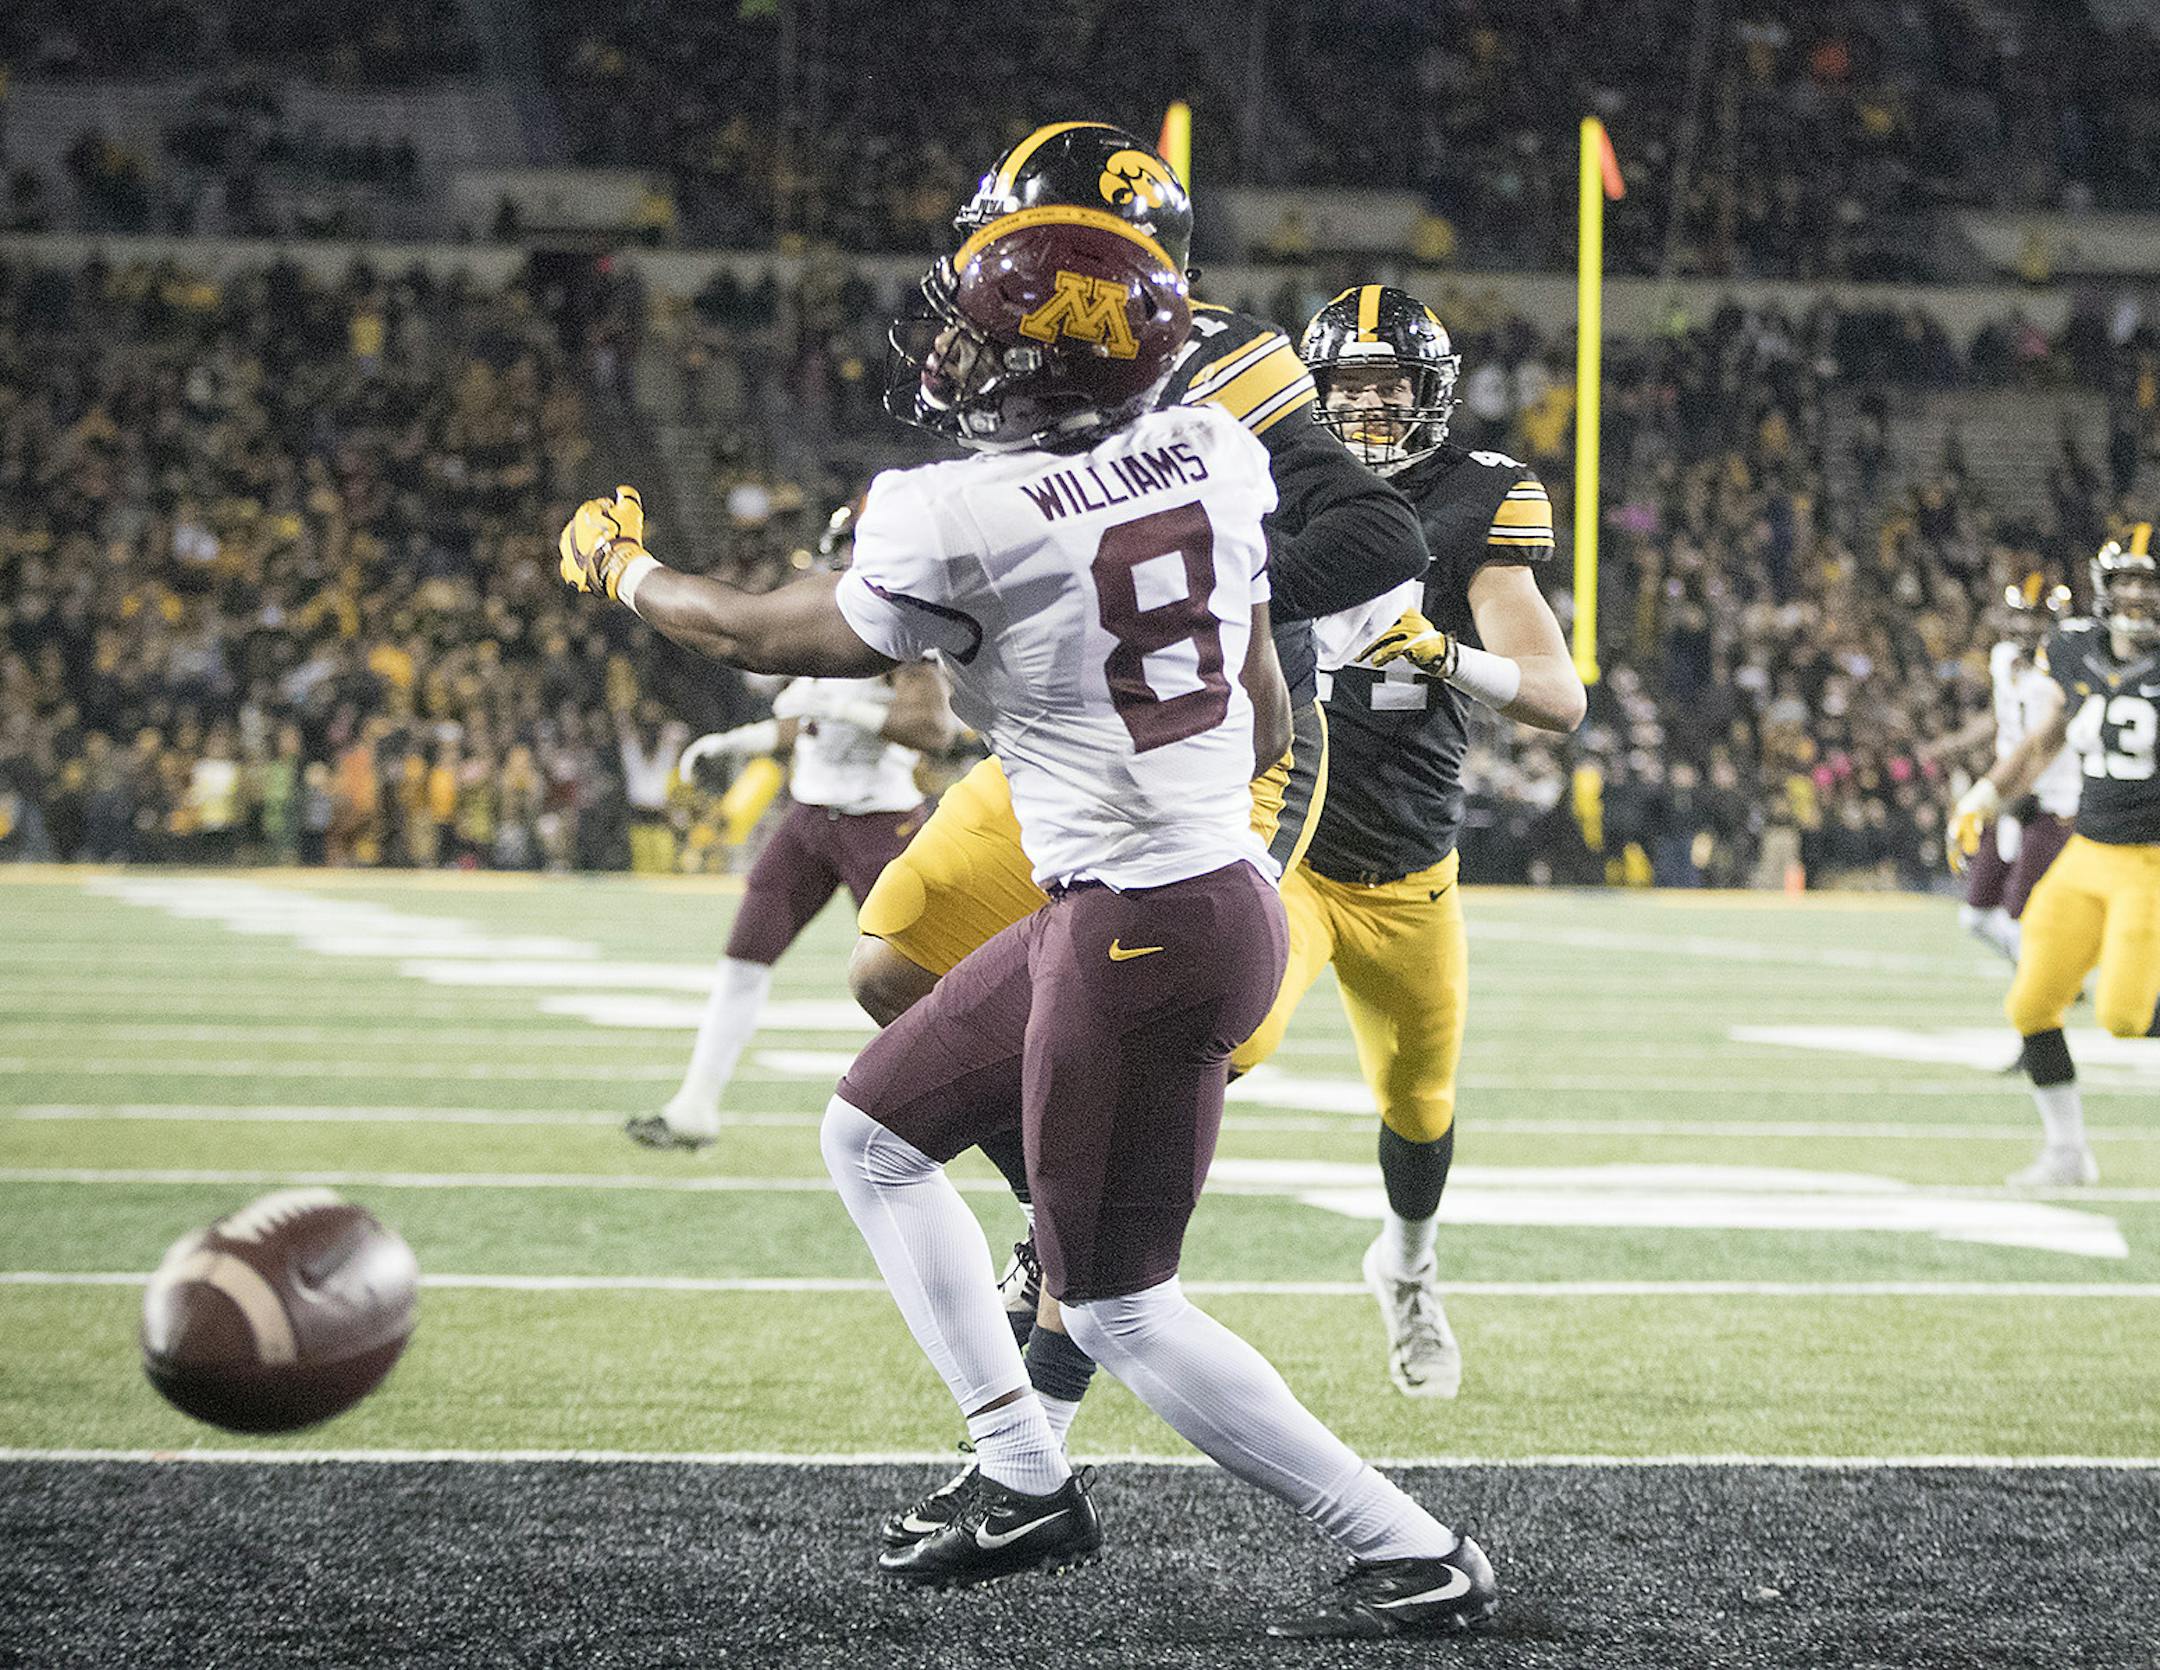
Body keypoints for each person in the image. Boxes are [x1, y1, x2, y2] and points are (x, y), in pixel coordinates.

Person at [555, 206, 1497, 1639]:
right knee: (868, 1131)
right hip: (1182, 887)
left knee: (1118, 1309)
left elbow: (752, 631)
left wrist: (624, 570)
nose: (951, 354)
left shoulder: (954, 511)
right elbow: (1264, 711)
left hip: (1143, 924)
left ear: (1047, 364)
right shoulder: (1222, 456)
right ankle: (1020, 1474)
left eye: (982, 334)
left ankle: (1410, 1543)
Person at [841, 118, 1431, 1433]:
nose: (994, 272)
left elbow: (1380, 528)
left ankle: (1035, 1422)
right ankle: (1053, 1232)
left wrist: (1219, 589)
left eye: (1022, 245)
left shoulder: (1224, 361)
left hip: (1218, 750)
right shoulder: (1015, 363)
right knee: (889, 966)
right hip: (1068, 743)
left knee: (1131, 1040)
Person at [1227, 285, 1586, 1397]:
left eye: (1392, 385)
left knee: (1420, 1107)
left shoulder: (1476, 501)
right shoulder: (1263, 477)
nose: (1372, 406)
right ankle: (1062, 1245)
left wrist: (1443, 655)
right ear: (1309, 396)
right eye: (1347, 386)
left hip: (1411, 860)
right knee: (1222, 1039)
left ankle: (1409, 1268)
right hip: (1285, 838)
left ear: (1435, 391)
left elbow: (1556, 696)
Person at [630, 504, 957, 1151]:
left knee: (921, 979)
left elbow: (933, 730)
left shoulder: (902, 624)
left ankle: (984, 1116)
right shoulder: (832, 618)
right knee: (744, 955)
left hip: (880, 822)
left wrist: (843, 705)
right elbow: (805, 717)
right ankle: (696, 1103)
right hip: (811, 815)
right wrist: (741, 740)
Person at [1949, 525, 2160, 1187]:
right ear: (2103, 587)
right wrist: (1982, 797)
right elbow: (2043, 744)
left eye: (2148, 583)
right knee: (2032, 1003)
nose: (2134, 594)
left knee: (2125, 1016)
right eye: (2124, 580)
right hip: (2087, 854)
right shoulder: (2076, 650)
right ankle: (2068, 1153)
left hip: (2147, 861)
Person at [1928, 575, 2079, 965]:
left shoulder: (2064, 672)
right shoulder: (2003, 657)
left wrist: (1986, 793)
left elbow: (2037, 747)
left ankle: (2048, 983)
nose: (2025, 628)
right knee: (1975, 916)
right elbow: (2003, 720)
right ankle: (2040, 975)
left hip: (2052, 804)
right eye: (2019, 618)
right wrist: (1954, 743)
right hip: (2009, 796)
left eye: (2035, 620)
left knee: (2021, 915)